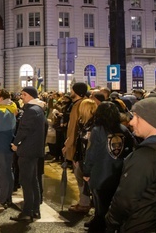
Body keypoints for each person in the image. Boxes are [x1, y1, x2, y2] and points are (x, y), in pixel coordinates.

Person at [106, 96, 156, 232]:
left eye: (136, 117)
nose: (131, 122)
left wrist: (111, 222)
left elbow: (125, 199)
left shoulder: (146, 156)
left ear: (151, 120)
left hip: (140, 224)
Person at [82, 101, 135, 232]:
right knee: (111, 202)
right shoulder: (123, 129)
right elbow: (131, 148)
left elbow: (91, 153)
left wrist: (86, 171)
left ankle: (100, 225)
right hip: (117, 172)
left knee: (100, 204)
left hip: (100, 173)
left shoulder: (97, 130)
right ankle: (101, 221)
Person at [10, 86, 46, 223]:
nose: (21, 97)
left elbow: (23, 129)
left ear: (30, 96)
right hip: (34, 150)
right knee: (33, 180)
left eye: (24, 94)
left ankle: (27, 212)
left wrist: (16, 143)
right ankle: (35, 210)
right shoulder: (38, 109)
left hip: (27, 150)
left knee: (26, 182)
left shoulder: (31, 110)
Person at [62, 82, 91, 214]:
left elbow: (75, 128)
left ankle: (84, 203)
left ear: (77, 91)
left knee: (80, 174)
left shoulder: (81, 105)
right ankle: (84, 201)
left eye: (71, 90)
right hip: (78, 145)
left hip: (78, 147)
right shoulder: (80, 104)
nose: (70, 92)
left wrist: (68, 144)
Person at [70, 98, 98, 215]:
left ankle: (85, 204)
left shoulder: (93, 126)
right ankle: (84, 201)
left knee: (85, 182)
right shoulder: (84, 123)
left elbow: (89, 146)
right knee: (81, 181)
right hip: (82, 157)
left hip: (87, 159)